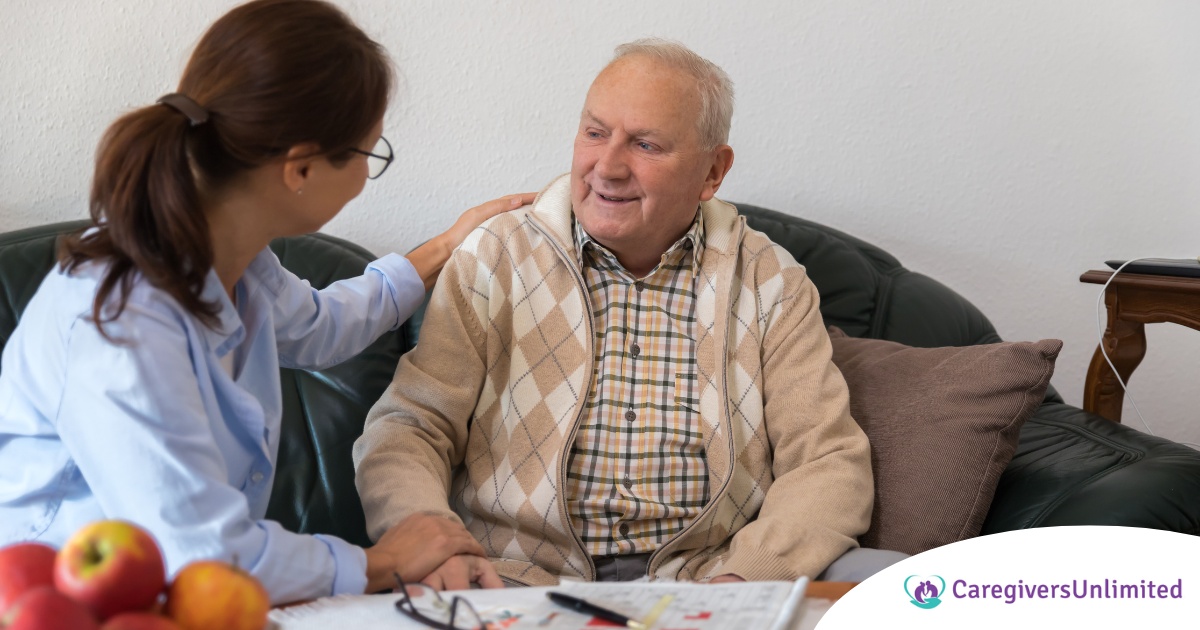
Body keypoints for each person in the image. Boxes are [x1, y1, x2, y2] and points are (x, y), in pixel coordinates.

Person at [0, 0, 521, 604]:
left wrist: (449, 245)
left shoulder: (233, 257)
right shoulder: (119, 323)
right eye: (369, 154)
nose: (364, 176)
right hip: (61, 601)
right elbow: (199, 552)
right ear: (299, 169)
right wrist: (380, 562)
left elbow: (322, 328)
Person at [354, 39, 902, 589]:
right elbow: (409, 428)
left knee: (901, 587)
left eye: (645, 144)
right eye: (595, 133)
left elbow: (826, 461)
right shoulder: (496, 257)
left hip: (713, 579)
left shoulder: (771, 282)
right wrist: (434, 545)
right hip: (515, 580)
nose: (607, 167)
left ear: (713, 171)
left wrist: (744, 580)